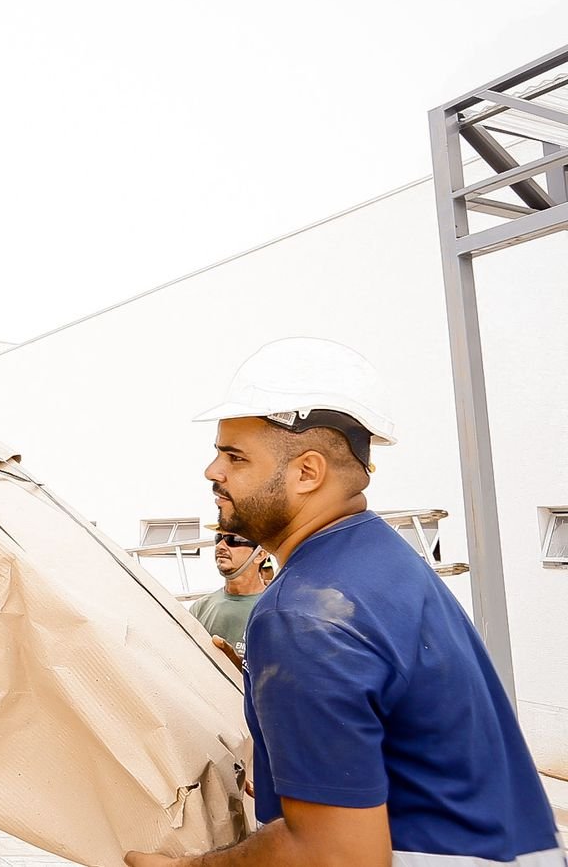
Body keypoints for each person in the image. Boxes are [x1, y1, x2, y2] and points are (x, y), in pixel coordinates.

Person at [127, 338, 564, 867]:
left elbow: (334, 855)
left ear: (307, 472)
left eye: (234, 456)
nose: (212, 471)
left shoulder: (303, 615)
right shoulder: (381, 563)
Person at [186, 526, 266, 668]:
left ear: (260, 555)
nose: (220, 546)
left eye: (233, 540)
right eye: (218, 538)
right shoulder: (200, 608)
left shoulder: (274, 610)